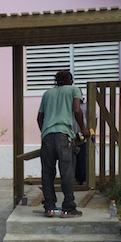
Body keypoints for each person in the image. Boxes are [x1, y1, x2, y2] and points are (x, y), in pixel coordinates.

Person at [37, 70, 90, 218]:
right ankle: (68, 208)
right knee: (66, 172)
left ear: (56, 81)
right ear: (71, 81)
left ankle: (49, 207)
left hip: (47, 137)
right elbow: (77, 110)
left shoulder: (47, 94)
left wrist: (45, 132)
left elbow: (40, 117)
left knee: (47, 173)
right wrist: (84, 128)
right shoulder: (74, 90)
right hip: (63, 136)